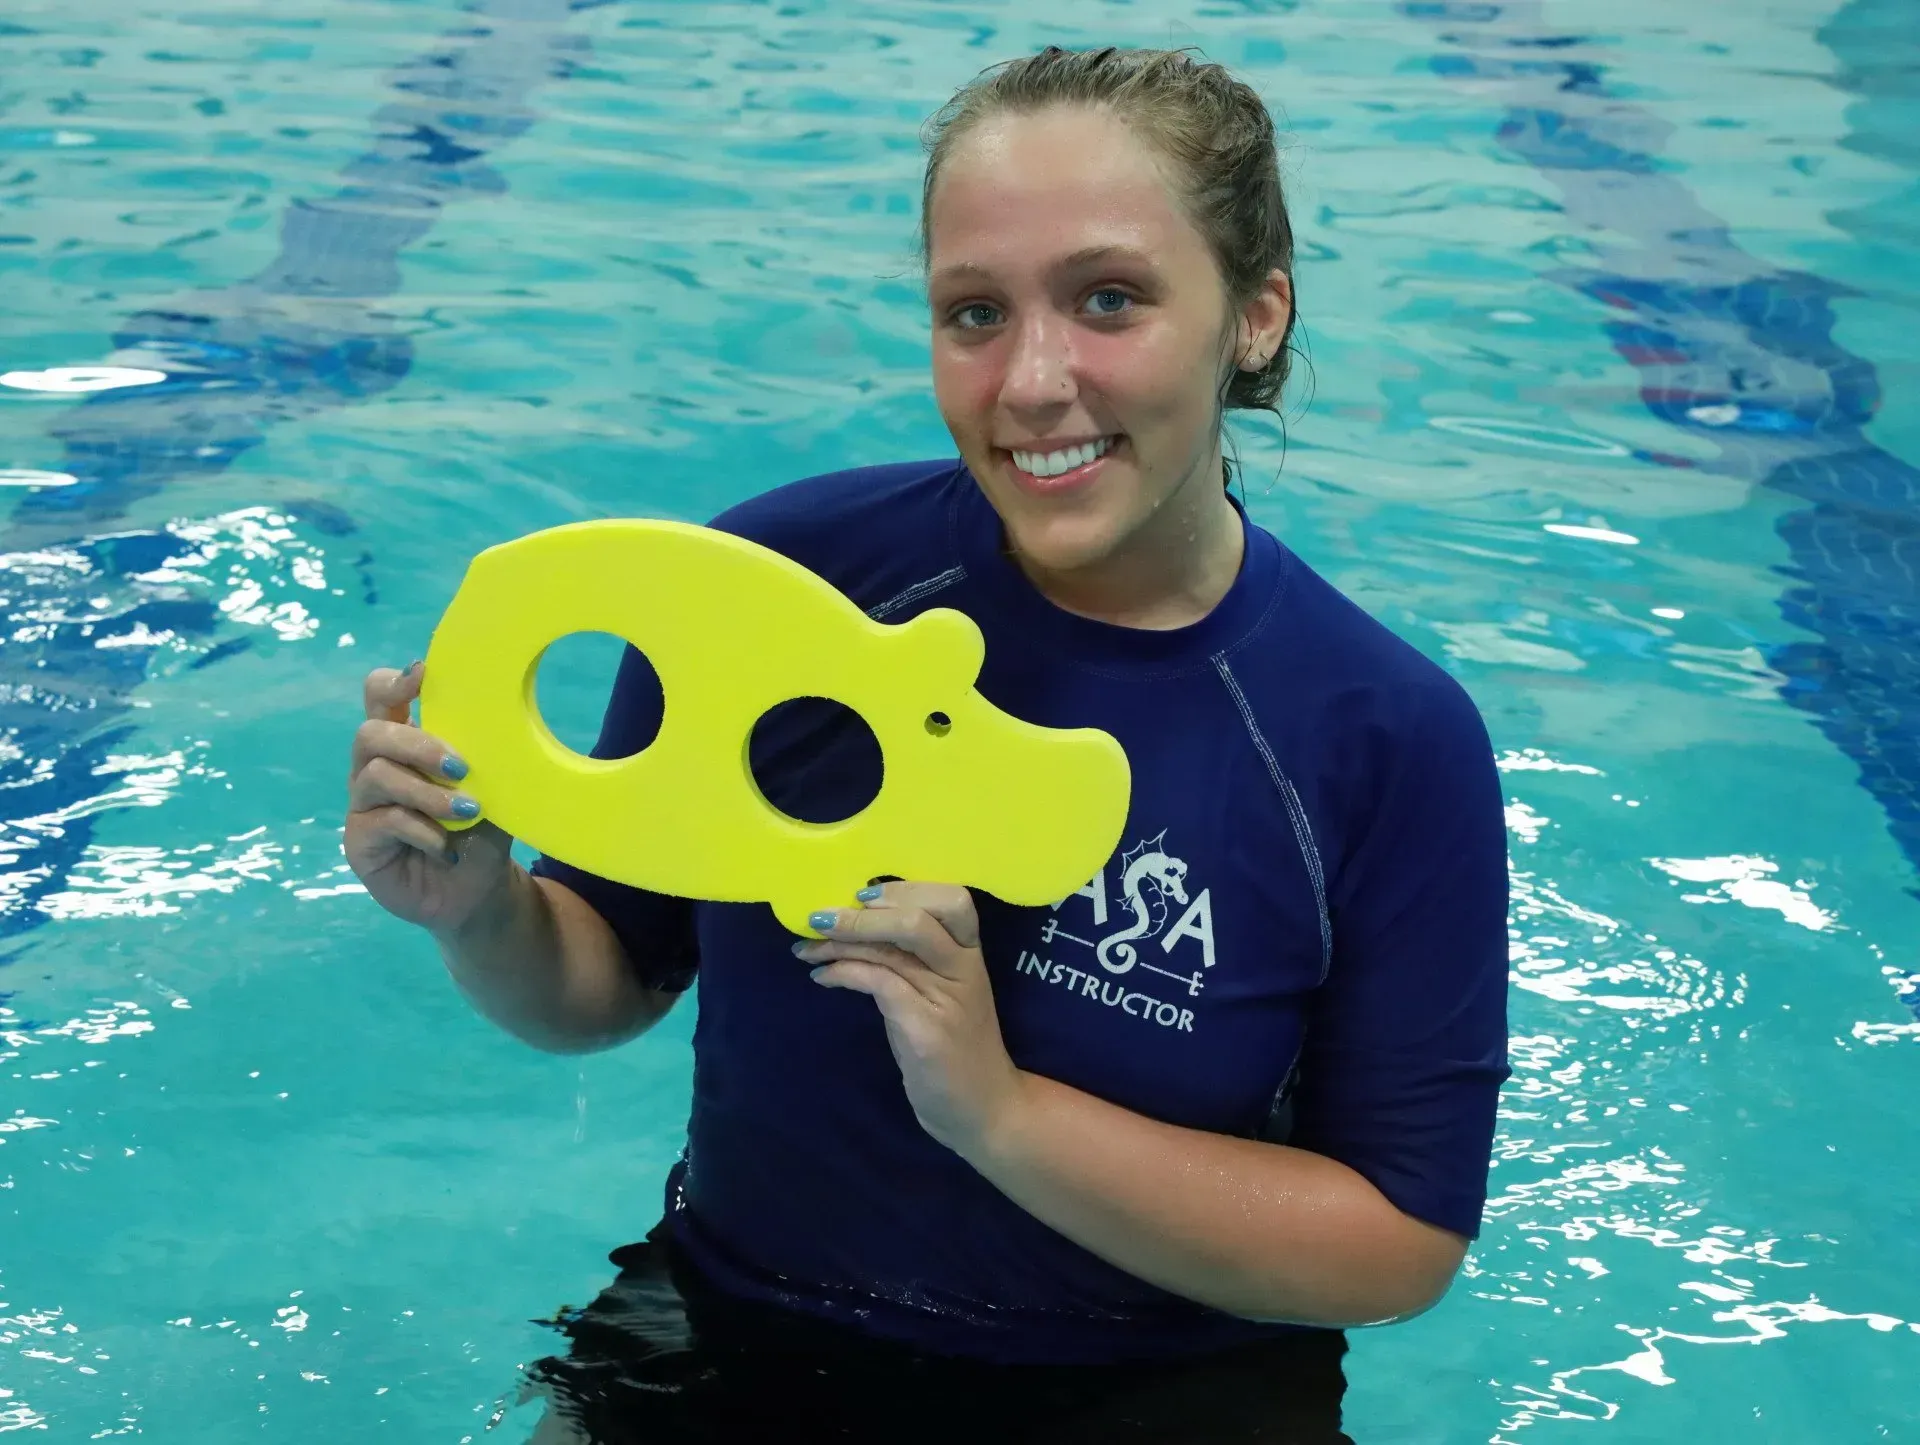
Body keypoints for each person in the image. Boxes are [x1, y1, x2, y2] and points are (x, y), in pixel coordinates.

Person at [345, 45, 1510, 1445]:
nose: (1032, 381)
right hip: (734, 1327)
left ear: (1255, 316)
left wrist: (999, 1114)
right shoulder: (778, 585)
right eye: (974, 313)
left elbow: (1398, 1247)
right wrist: (480, 911)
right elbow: (603, 981)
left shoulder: (1379, 737)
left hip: (1158, 1395)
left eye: (1110, 300)